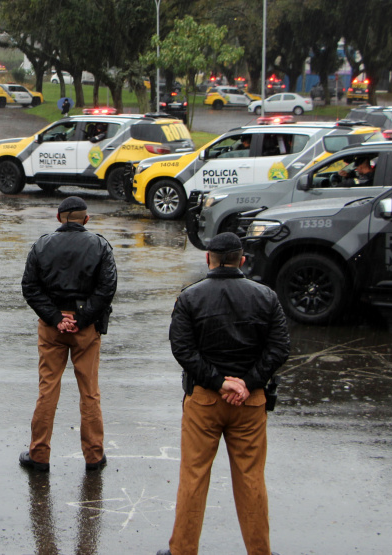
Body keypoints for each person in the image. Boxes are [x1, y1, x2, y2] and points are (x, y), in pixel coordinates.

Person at [158, 232, 290, 555]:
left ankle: (183, 550)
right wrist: (248, 381)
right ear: (241, 260)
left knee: (194, 477)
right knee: (251, 481)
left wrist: (218, 381)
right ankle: (259, 550)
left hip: (204, 400)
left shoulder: (190, 298)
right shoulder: (266, 297)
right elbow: (279, 347)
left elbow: (182, 348)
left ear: (208, 259)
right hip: (250, 401)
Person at [19, 196, 117, 473]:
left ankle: (39, 454)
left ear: (58, 218)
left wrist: (55, 318)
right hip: (86, 328)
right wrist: (83, 319)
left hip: (52, 327)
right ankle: (94, 456)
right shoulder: (99, 245)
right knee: (90, 392)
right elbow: (107, 288)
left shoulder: (41, 245)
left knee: (47, 389)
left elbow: (30, 286)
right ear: (86, 219)